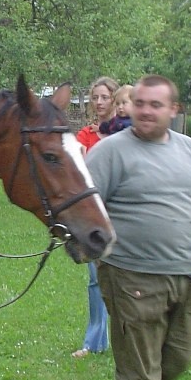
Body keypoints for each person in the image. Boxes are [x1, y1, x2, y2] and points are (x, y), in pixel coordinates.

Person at [87, 75, 191, 380]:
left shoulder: (189, 149)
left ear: (173, 109)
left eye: (155, 105)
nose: (145, 111)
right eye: (139, 103)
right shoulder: (110, 152)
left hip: (182, 278)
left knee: (179, 356)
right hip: (131, 279)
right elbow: (81, 207)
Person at [72, 76, 119, 358]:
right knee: (96, 279)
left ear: (114, 99)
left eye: (105, 97)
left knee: (127, 280)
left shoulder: (126, 134)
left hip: (123, 213)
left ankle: (129, 337)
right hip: (94, 216)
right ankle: (94, 342)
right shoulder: (86, 136)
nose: (99, 103)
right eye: (96, 98)